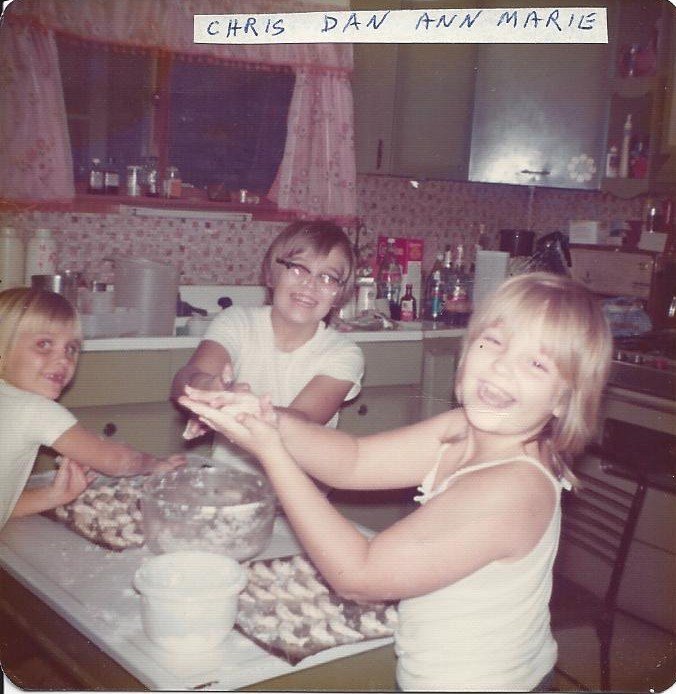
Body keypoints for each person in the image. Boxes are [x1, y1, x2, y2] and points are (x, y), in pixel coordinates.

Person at [178, 272, 613, 692]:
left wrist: (271, 450)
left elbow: (360, 575)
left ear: (563, 400)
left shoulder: (510, 489)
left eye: (536, 363)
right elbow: (353, 460)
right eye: (493, 341)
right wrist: (265, 415)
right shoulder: (463, 428)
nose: (501, 367)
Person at [171, 220, 364, 475]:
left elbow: (304, 420)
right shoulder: (237, 322)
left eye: (327, 277)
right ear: (272, 275)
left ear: (339, 295)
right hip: (231, 485)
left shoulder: (343, 353)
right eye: (298, 269)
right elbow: (185, 379)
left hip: (301, 497)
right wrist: (206, 387)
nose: (310, 284)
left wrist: (237, 408)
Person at [0, 287, 184, 530]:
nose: (64, 360)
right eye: (44, 344)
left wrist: (54, 496)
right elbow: (117, 460)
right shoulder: (35, 409)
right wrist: (156, 464)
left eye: (71, 349)